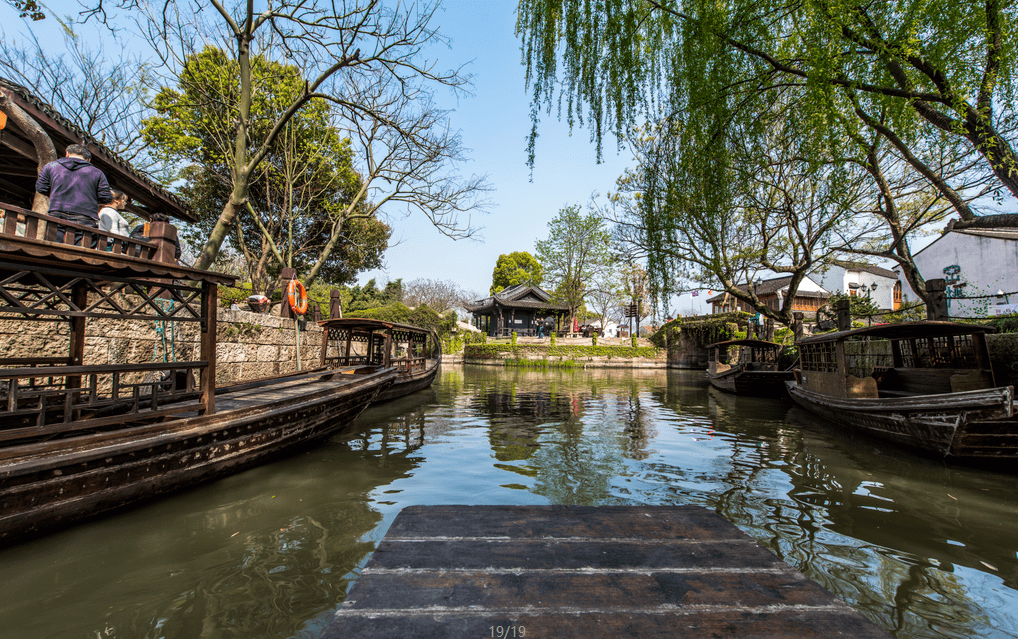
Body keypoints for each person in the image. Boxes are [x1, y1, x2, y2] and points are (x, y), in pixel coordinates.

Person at [35, 144, 113, 246]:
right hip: (86, 218)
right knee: (82, 253)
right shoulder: (97, 173)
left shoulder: (51, 166)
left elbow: (41, 188)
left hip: (57, 213)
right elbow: (106, 198)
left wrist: (55, 192)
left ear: (67, 154)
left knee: (52, 248)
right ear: (88, 159)